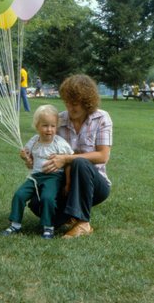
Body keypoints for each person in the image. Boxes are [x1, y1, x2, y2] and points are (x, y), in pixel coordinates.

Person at [26, 74, 113, 239]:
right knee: (37, 205)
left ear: (87, 102)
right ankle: (70, 216)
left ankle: (83, 222)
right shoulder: (59, 120)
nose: (70, 108)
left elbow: (103, 156)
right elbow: (45, 150)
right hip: (64, 183)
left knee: (80, 161)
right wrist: (32, 159)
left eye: (75, 104)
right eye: (66, 102)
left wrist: (66, 159)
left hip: (95, 185)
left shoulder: (102, 118)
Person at [0, 104, 74, 239]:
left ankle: (48, 227)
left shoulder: (60, 143)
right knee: (19, 195)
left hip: (53, 177)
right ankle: (15, 224)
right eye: (45, 125)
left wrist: (68, 182)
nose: (49, 129)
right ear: (37, 126)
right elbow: (26, 154)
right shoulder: (34, 141)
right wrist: (24, 157)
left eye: (53, 126)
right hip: (34, 177)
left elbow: (69, 161)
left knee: (47, 198)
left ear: (56, 126)